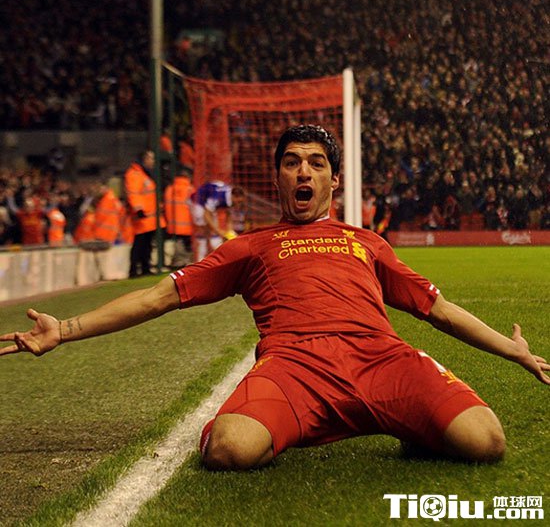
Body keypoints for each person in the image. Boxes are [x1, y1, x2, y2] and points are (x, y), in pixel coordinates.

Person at [1, 125, 548, 473]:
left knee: (486, 441)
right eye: (291, 162)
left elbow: (439, 310)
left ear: (334, 180)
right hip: (296, 368)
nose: (303, 170)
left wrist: (513, 351)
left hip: (380, 359)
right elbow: (158, 297)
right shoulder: (251, 247)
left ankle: (406, 424)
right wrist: (65, 330)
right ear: (280, 178)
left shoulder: (367, 242)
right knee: (230, 450)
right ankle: (295, 419)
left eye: (315, 162)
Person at [124, 149, 166, 277]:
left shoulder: (143, 174)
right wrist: (139, 209)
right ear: (144, 159)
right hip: (143, 216)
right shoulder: (135, 174)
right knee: (140, 243)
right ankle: (134, 270)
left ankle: (144, 268)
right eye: (151, 158)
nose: (153, 161)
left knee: (146, 244)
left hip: (149, 216)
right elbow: (133, 193)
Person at [191, 180, 235, 262]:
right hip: (198, 202)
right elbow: (206, 215)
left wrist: (230, 230)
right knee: (204, 230)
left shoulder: (231, 196)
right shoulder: (217, 197)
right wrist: (218, 231)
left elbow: (229, 214)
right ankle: (200, 261)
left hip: (208, 204)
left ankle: (221, 260)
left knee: (213, 231)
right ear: (234, 197)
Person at [164, 166, 195, 268]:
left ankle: (177, 262)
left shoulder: (170, 188)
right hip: (188, 223)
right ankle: (182, 262)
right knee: (186, 245)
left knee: (177, 243)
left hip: (173, 223)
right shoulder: (190, 189)